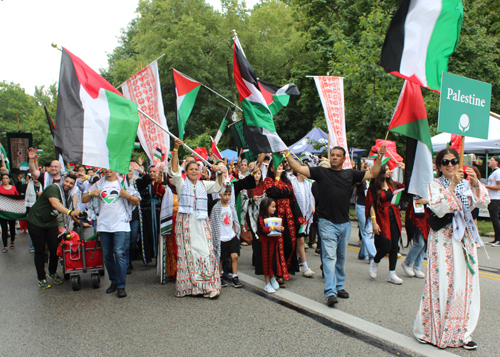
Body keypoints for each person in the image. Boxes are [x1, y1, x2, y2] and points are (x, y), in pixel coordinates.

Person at [282, 144, 386, 307]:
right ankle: (330, 292)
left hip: (344, 224)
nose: (335, 157)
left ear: (344, 159)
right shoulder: (320, 172)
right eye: (333, 155)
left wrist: (379, 157)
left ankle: (339, 287)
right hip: (327, 223)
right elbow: (297, 167)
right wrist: (286, 154)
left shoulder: (350, 174)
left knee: (341, 258)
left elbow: (373, 172)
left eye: (338, 155)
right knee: (330, 257)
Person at [413, 148, 490, 350]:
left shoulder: (467, 184)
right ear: (439, 166)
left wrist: (474, 184)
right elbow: (438, 207)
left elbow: (483, 201)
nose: (450, 165)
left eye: (454, 161)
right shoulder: (434, 185)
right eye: (445, 162)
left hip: (465, 238)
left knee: (465, 285)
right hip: (443, 240)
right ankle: (430, 330)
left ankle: (463, 332)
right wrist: (453, 185)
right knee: (443, 283)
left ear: (458, 163)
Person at [170, 139, 225, 299]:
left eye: (196, 169)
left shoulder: (203, 184)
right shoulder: (181, 183)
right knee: (189, 254)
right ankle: (191, 288)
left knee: (206, 252)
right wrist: (175, 149)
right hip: (186, 223)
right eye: (191, 169)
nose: (194, 171)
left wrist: (220, 172)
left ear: (199, 171)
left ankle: (209, 287)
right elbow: (174, 171)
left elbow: (218, 186)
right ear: (186, 172)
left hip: (201, 223)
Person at [82, 169, 140, 298]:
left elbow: (136, 200)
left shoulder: (123, 183)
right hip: (103, 225)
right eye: (105, 168)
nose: (107, 170)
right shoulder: (98, 184)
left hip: (120, 224)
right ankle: (113, 281)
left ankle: (121, 285)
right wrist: (91, 193)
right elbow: (84, 199)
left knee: (119, 253)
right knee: (107, 255)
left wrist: (128, 196)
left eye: (110, 168)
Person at [27, 174, 83, 288]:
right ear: (63, 180)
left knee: (54, 248)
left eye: (71, 183)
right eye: (67, 181)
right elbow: (55, 204)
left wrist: (80, 222)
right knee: (40, 251)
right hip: (36, 222)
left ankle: (52, 272)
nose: (68, 184)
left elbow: (71, 211)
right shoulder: (54, 188)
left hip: (50, 222)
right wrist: (69, 212)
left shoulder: (68, 195)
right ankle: (41, 278)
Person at [264, 159, 305, 287]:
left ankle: (285, 269)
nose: (280, 167)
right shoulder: (268, 181)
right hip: (276, 216)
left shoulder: (288, 181)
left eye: (281, 165)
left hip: (289, 216)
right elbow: (274, 193)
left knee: (290, 245)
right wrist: (276, 176)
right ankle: (278, 274)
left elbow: (293, 199)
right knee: (277, 245)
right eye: (277, 166)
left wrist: (299, 216)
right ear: (271, 168)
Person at [366, 164, 405, 284]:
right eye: (387, 169)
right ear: (381, 172)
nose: (390, 171)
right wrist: (374, 222)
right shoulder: (373, 187)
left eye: (389, 169)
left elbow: (405, 186)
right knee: (386, 244)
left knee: (394, 246)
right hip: (382, 217)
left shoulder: (393, 184)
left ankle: (392, 273)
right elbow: (371, 206)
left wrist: (403, 170)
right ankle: (375, 262)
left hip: (394, 215)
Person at [210, 186, 243, 288]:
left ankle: (235, 276)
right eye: (225, 194)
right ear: (220, 194)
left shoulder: (231, 207)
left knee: (235, 256)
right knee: (220, 258)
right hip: (221, 237)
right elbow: (213, 221)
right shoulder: (216, 208)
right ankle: (219, 276)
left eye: (229, 194)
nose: (227, 197)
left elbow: (234, 220)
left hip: (231, 235)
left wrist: (235, 233)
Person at [135, 165, 165, 264]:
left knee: (158, 233)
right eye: (150, 171)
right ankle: (148, 257)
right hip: (146, 212)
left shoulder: (160, 184)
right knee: (146, 233)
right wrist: (142, 171)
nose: (152, 173)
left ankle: (158, 257)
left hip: (157, 211)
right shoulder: (143, 182)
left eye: (154, 171)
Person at [290, 166, 315, 277]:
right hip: (294, 217)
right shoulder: (292, 183)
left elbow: (311, 198)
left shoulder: (309, 184)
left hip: (305, 217)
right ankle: (304, 266)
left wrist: (311, 209)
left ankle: (295, 264)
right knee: (299, 241)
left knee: (299, 241)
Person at [241, 168, 266, 274]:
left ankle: (257, 259)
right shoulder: (247, 186)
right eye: (255, 174)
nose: (257, 176)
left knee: (260, 235)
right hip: (250, 213)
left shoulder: (263, 186)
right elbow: (243, 200)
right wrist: (252, 199)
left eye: (259, 174)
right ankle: (257, 259)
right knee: (255, 235)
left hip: (261, 213)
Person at [258, 197, 284, 293]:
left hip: (274, 242)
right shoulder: (261, 218)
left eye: (275, 207)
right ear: (266, 207)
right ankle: (267, 283)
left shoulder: (275, 218)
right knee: (266, 262)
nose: (275, 209)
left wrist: (281, 228)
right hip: (265, 243)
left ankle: (273, 277)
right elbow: (262, 229)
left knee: (274, 260)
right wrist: (273, 227)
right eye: (272, 207)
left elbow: (278, 227)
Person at [402, 197, 430, 279]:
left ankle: (417, 267)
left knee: (424, 243)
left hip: (427, 212)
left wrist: (428, 201)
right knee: (420, 243)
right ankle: (407, 263)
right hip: (417, 213)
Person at [158, 172, 179, 283]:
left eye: (174, 177)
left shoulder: (183, 188)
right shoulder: (166, 190)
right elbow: (157, 189)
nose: (172, 179)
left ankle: (183, 271)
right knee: (171, 247)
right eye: (170, 177)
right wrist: (159, 175)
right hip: (171, 221)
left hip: (182, 221)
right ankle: (172, 271)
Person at [0, 173, 19, 252]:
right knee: (4, 228)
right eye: (3, 178)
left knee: (12, 227)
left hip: (11, 211)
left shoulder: (13, 188)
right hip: (2, 212)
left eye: (6, 178)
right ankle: (5, 246)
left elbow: (17, 197)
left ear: (9, 179)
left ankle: (12, 241)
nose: (5, 180)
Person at [484, 156, 500, 246]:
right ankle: (496, 238)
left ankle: (499, 239)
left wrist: (486, 186)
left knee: (495, 218)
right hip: (491, 197)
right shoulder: (494, 172)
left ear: (496, 162)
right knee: (493, 218)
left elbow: (499, 187)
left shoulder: (498, 172)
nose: (489, 161)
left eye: (491, 160)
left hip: (496, 198)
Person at [25, 173, 42, 253]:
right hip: (31, 210)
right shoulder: (29, 185)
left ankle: (41, 246)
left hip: (41, 210)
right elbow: (26, 198)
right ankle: (32, 247)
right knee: (32, 229)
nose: (35, 177)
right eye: (33, 176)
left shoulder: (44, 184)